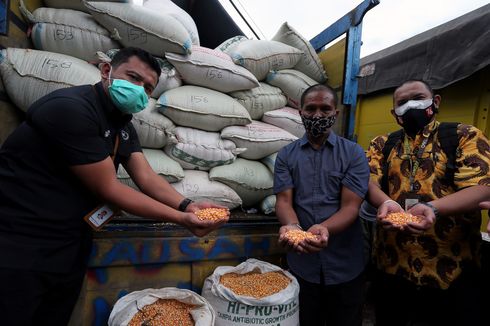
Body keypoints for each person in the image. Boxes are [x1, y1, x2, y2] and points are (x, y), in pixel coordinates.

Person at [0, 47, 229, 325]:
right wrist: (182, 219)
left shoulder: (123, 125)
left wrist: (188, 204)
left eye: (147, 87)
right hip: (20, 240)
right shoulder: (71, 109)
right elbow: (110, 189)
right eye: (133, 77)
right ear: (107, 71)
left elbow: (145, 176)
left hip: (69, 242)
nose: (139, 89)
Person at [366, 79, 490, 326]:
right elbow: (368, 183)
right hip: (393, 266)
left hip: (452, 270)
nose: (410, 105)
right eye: (402, 102)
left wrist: (433, 208)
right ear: (394, 113)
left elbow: (481, 189)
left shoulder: (463, 135)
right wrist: (387, 203)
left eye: (418, 97)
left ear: (435, 101)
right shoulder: (382, 144)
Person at [274, 84, 370, 326]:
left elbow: (351, 206)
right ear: (301, 112)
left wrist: (324, 228)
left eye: (325, 109)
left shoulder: (354, 154)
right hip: (302, 265)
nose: (317, 115)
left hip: (346, 264)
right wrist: (293, 227)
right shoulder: (286, 155)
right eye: (311, 108)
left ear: (335, 114)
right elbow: (284, 200)